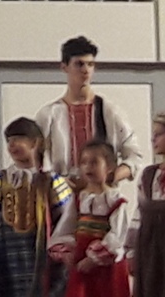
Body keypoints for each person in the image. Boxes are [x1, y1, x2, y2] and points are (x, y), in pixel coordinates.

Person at [0, 117, 75, 297]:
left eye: (18, 139)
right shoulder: (0, 179)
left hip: (39, 248)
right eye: (9, 141)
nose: (12, 145)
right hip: (5, 249)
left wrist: (60, 248)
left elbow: (67, 218)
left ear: (35, 142)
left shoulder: (52, 181)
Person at [35, 36, 142, 189]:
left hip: (102, 195)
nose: (85, 70)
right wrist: (56, 180)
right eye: (79, 64)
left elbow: (134, 155)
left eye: (90, 64)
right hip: (61, 195)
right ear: (64, 67)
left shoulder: (109, 111)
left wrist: (111, 177)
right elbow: (35, 161)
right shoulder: (48, 114)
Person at [64, 141, 130, 297]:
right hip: (80, 261)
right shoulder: (78, 199)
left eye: (94, 162)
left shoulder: (115, 200)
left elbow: (118, 235)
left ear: (109, 167)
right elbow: (66, 226)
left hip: (107, 268)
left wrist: (94, 258)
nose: (88, 167)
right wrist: (68, 251)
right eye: (84, 162)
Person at [125, 112, 165, 296]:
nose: (152, 139)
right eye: (152, 134)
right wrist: (131, 252)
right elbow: (138, 215)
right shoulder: (149, 175)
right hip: (149, 251)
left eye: (159, 134)